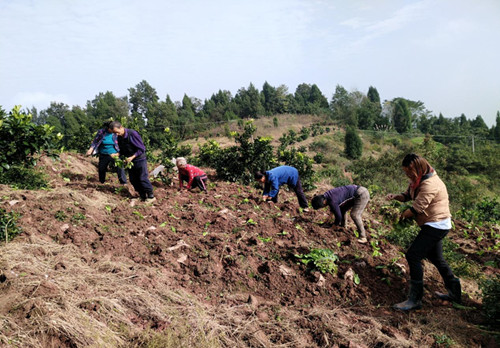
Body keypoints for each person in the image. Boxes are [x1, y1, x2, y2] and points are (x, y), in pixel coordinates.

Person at [386, 153, 461, 311]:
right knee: (436, 257)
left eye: (409, 172)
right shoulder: (417, 180)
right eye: (405, 172)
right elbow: (408, 196)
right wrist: (395, 197)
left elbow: (416, 208)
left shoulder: (430, 184)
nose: (407, 175)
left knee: (413, 255)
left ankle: (415, 300)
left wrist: (398, 215)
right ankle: (454, 292)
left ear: (417, 169)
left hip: (437, 224)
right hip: (432, 223)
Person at [108, 121, 155, 202]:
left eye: (117, 132)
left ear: (121, 127)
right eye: (114, 133)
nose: (117, 134)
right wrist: (117, 154)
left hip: (139, 159)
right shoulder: (119, 137)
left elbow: (141, 149)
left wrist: (132, 157)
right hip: (130, 161)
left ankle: (151, 196)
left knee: (142, 177)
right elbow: (122, 150)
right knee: (133, 179)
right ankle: (142, 196)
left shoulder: (133, 134)